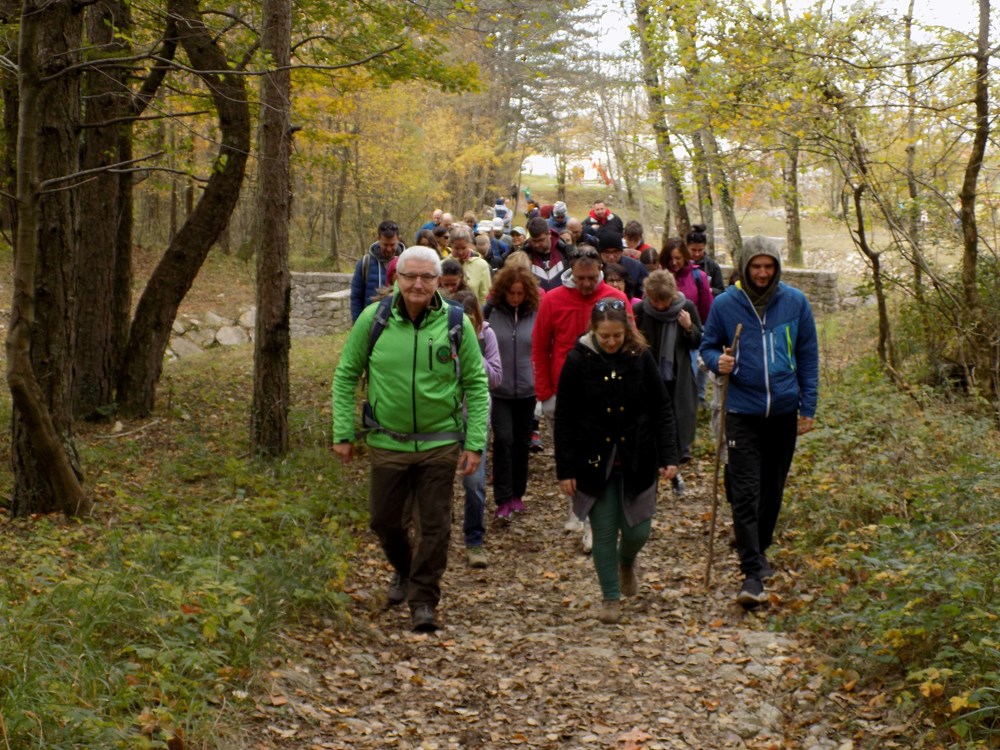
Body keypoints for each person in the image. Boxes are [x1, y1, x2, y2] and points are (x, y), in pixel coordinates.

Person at [332, 246, 490, 632]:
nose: (418, 284)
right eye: (410, 276)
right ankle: (404, 571)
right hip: (389, 442)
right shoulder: (374, 319)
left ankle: (423, 601)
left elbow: (476, 383)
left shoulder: (456, 322)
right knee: (384, 522)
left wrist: (474, 442)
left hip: (441, 441)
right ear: (397, 279)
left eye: (426, 277)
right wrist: (343, 431)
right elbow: (345, 375)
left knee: (435, 526)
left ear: (439, 281)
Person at [699, 236, 818, 609]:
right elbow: (707, 345)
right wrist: (719, 361)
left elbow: (808, 356)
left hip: (782, 410)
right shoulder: (725, 305)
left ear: (777, 267)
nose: (762, 273)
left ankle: (759, 548)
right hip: (742, 410)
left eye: (768, 266)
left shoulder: (795, 303)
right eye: (756, 266)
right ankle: (751, 571)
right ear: (745, 267)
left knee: (772, 490)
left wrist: (808, 406)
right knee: (746, 490)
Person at [555, 298, 679, 624]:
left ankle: (627, 562)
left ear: (627, 331)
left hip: (638, 455)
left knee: (637, 531)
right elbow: (565, 417)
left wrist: (669, 455)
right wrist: (565, 469)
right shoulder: (578, 361)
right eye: (605, 336)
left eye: (617, 336)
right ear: (593, 331)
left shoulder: (640, 358)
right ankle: (610, 596)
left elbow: (662, 408)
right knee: (605, 532)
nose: (611, 342)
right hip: (594, 460)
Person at [532, 248, 632, 552]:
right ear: (571, 273)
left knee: (597, 455)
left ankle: (592, 522)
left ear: (600, 270)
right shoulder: (553, 299)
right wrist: (544, 392)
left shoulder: (615, 298)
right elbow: (539, 347)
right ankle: (576, 505)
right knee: (570, 453)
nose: (586, 284)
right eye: (580, 278)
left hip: (606, 390)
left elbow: (632, 344)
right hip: (564, 389)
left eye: (591, 278)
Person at [634, 270, 702, 494]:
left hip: (676, 376)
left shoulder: (686, 307)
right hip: (647, 378)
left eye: (664, 301)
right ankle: (651, 469)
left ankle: (674, 469)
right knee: (647, 423)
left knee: (674, 422)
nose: (660, 306)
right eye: (655, 301)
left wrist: (688, 327)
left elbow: (698, 341)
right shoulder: (640, 310)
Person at [484, 265, 540, 523]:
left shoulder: (536, 313)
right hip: (500, 390)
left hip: (528, 390)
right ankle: (502, 498)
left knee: (521, 442)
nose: (515, 298)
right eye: (511, 293)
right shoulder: (491, 313)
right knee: (503, 440)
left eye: (520, 293)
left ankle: (518, 494)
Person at [452, 290, 503, 569]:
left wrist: (471, 352)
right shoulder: (438, 336)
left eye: (469, 321)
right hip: (443, 420)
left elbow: (496, 377)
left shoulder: (488, 337)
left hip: (476, 418)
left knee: (474, 482)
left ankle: (474, 540)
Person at [350, 220, 404, 322]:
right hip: (371, 322)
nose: (388, 249)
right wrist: (357, 323)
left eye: (392, 245)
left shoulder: (408, 262)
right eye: (385, 245)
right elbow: (356, 297)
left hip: (399, 323)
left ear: (398, 239)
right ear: (378, 239)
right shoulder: (365, 263)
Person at [449, 225, 492, 304]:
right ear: (451, 245)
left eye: (463, 248)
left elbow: (485, 296)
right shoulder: (443, 265)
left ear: (469, 245)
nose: (460, 252)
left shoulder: (482, 265)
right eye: (456, 248)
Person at [598, 232, 648, 299]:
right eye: (607, 252)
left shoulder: (636, 267)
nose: (611, 256)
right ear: (600, 253)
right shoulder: (593, 268)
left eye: (615, 252)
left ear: (622, 252)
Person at [525, 216, 569, 291]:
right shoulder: (525, 253)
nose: (537, 244)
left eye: (540, 240)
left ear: (549, 234)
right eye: (534, 241)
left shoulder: (565, 251)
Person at [687, 224, 725, 297]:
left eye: (700, 250)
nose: (697, 254)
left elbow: (721, 290)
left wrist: (709, 290)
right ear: (687, 247)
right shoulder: (682, 264)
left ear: (704, 247)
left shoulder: (713, 266)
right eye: (693, 250)